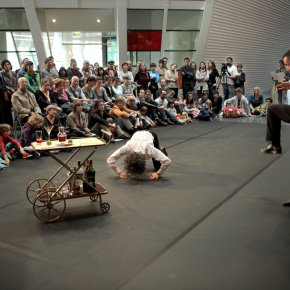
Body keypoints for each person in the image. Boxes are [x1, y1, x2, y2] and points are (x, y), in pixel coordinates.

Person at [1, 59, 17, 126]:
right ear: (3, 66)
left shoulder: (13, 73)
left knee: (16, 108)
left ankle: (16, 124)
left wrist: (15, 90)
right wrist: (10, 89)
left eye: (8, 65)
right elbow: (3, 84)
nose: (7, 66)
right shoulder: (2, 74)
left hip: (15, 92)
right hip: (7, 93)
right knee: (8, 110)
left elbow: (16, 83)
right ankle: (10, 124)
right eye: (5, 65)